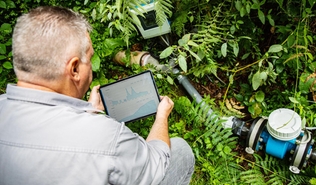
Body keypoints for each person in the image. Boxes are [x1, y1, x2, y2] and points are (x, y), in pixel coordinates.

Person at [0, 6, 194, 185]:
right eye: (90, 58)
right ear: (74, 68)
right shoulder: (106, 138)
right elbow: (157, 164)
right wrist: (161, 117)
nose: (91, 65)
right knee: (180, 151)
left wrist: (88, 113)